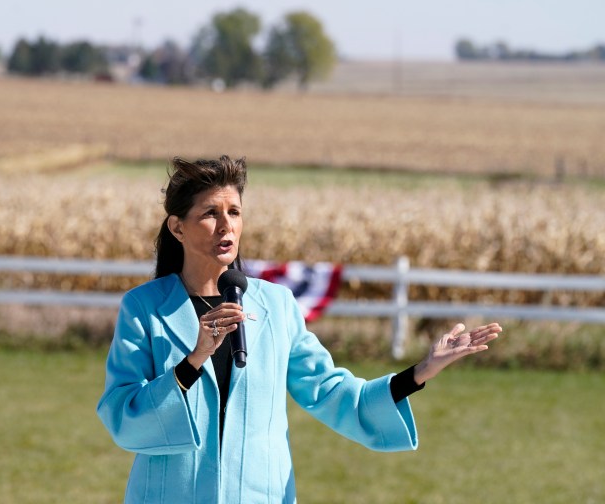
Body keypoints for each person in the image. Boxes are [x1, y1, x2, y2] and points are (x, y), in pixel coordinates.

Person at [96, 155, 501, 503]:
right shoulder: (144, 308)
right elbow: (123, 416)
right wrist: (194, 360)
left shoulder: (276, 306)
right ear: (177, 227)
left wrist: (419, 373)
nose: (226, 226)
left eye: (234, 212)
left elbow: (333, 393)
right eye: (210, 213)